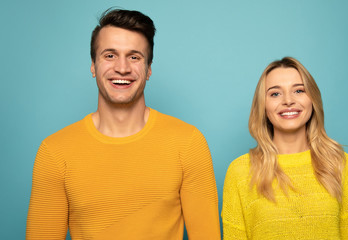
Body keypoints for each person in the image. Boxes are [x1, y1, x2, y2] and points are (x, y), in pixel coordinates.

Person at [27, 9, 220, 240]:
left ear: (148, 69)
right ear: (93, 66)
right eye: (110, 55)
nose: (122, 68)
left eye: (134, 57)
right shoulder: (55, 152)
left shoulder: (188, 143)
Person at [222, 57, 348, 239]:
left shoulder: (340, 164)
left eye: (299, 90)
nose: (288, 101)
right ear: (263, 106)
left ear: (312, 99)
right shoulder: (239, 172)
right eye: (275, 94)